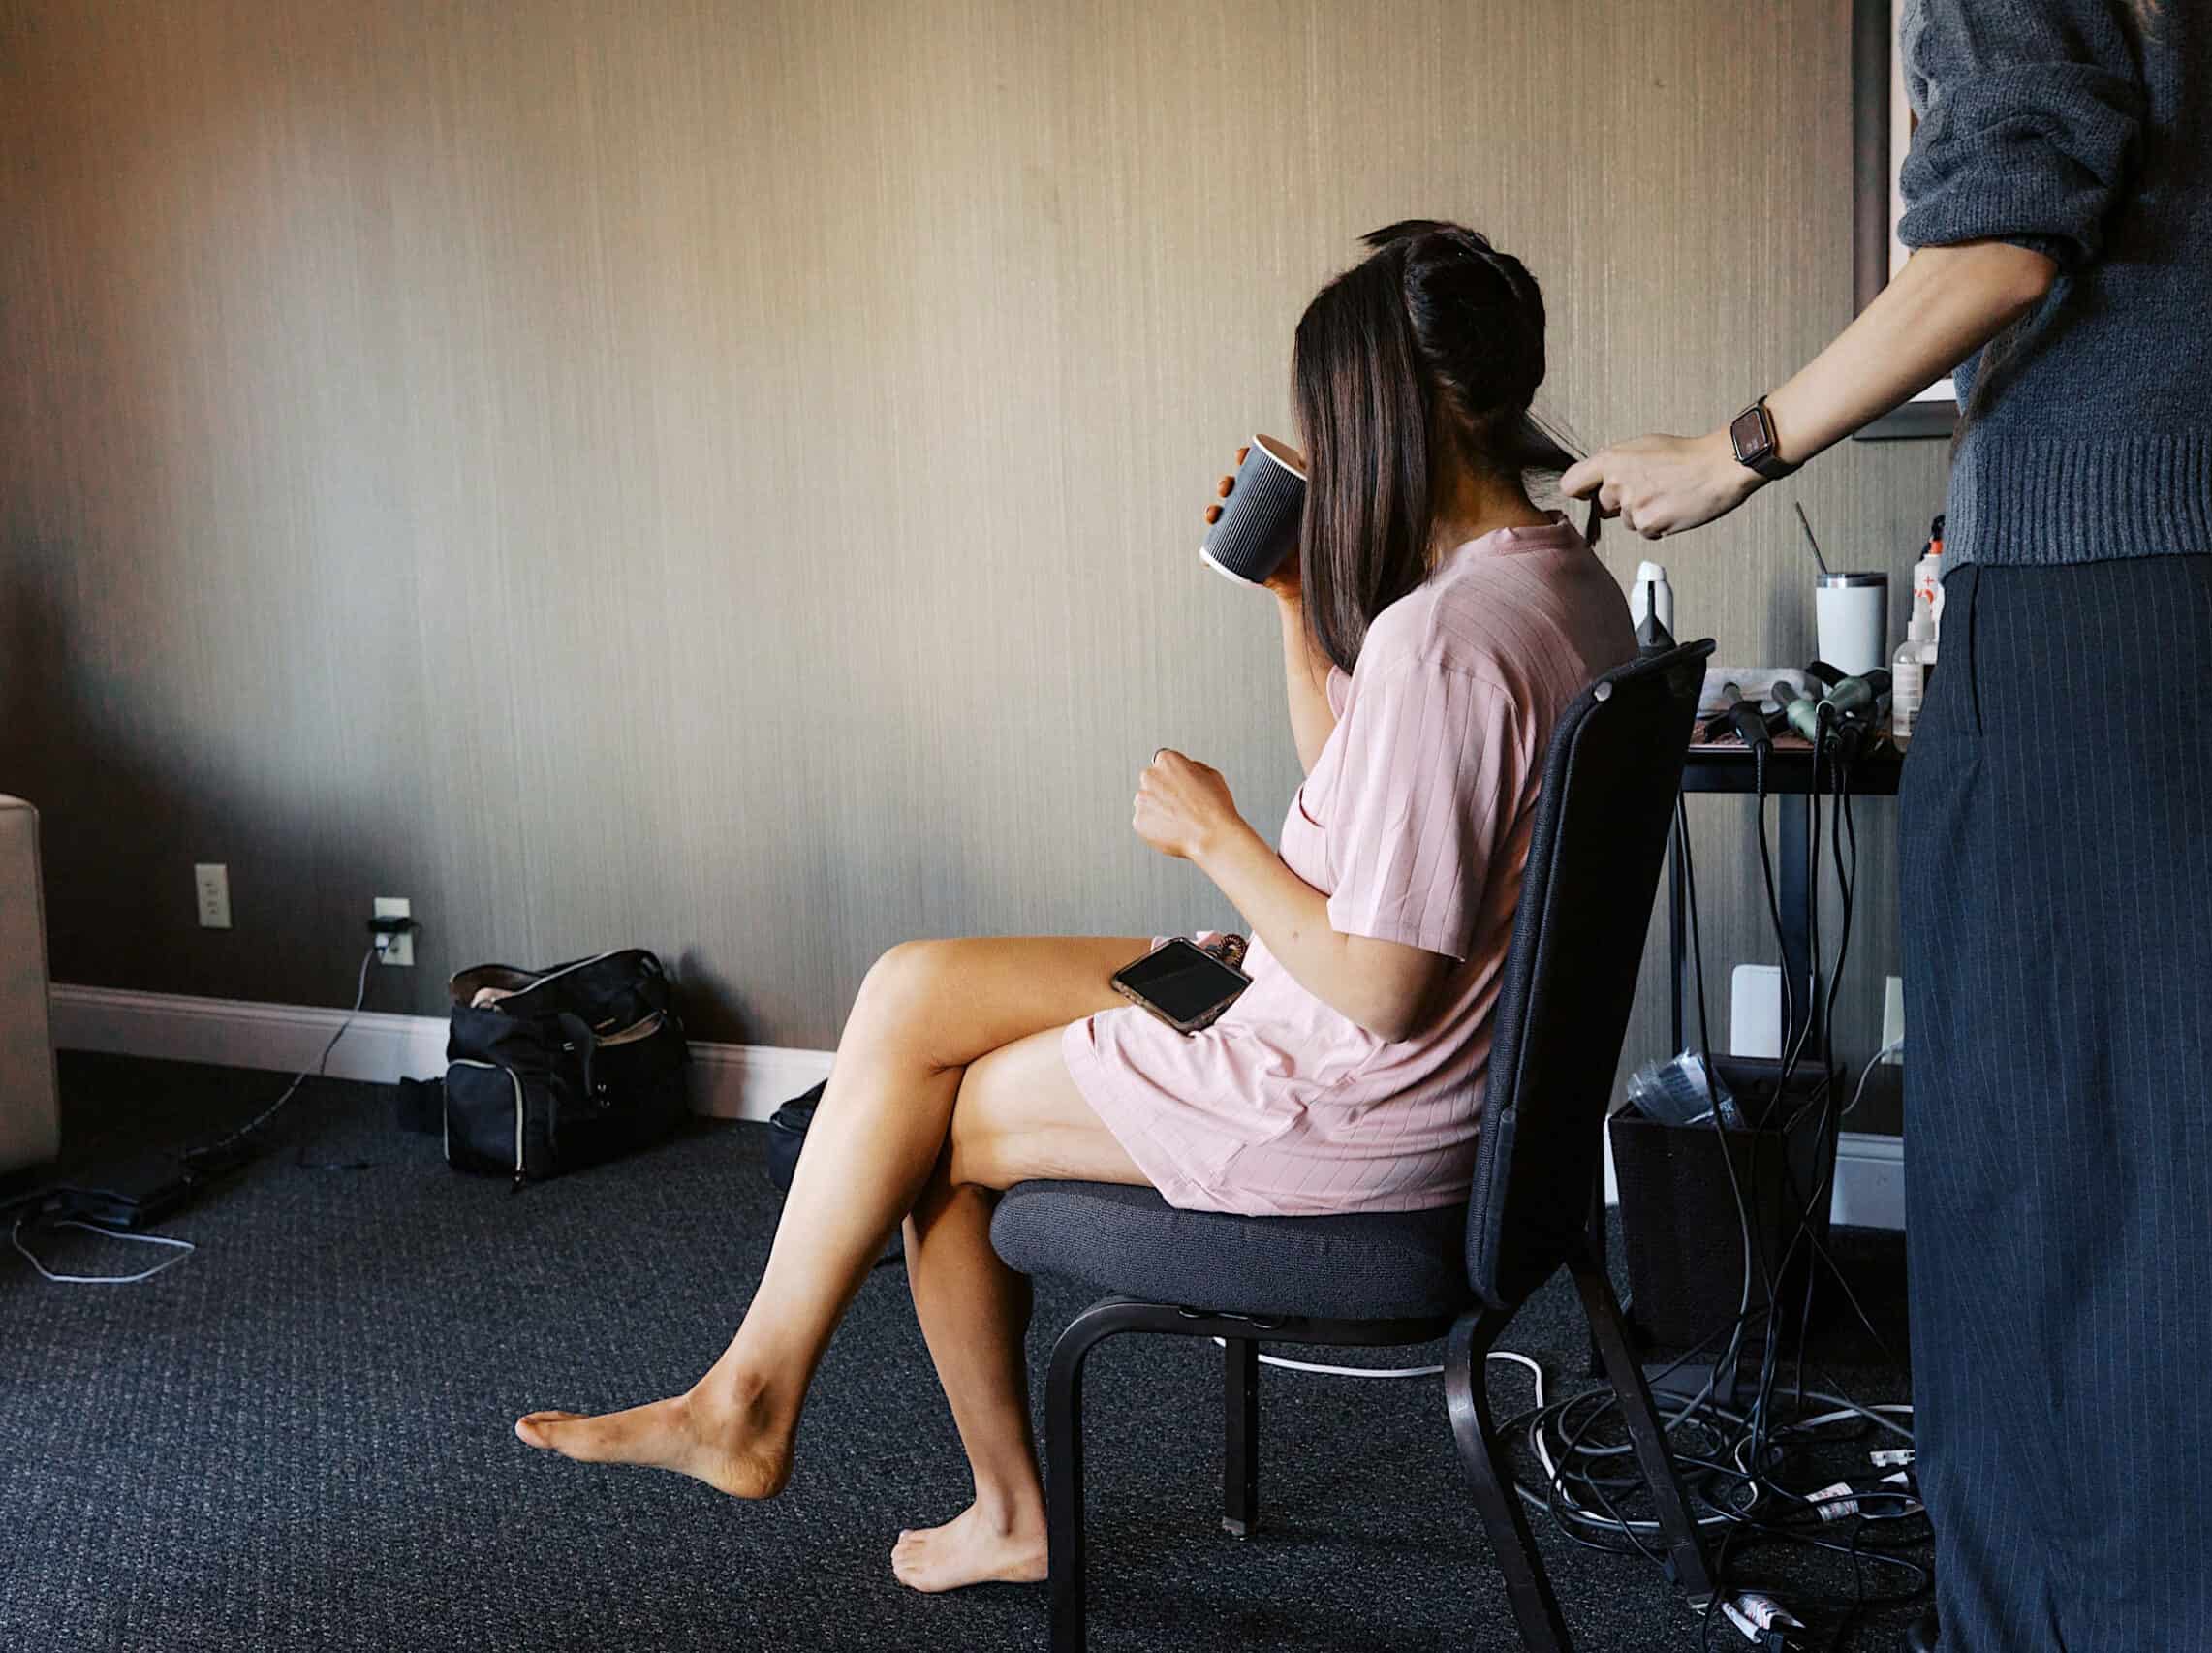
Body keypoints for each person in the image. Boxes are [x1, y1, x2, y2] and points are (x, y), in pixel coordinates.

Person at [514, 221, 1635, 1596]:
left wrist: (1214, 837)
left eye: (1324, 424)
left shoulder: (1442, 642)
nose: (1321, 456)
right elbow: (1368, 802)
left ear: (1379, 414)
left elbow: (1384, 982)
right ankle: (747, 1386)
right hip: (1384, 1046)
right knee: (912, 989)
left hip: (1353, 1090)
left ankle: (966, 1492)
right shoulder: (1552, 587)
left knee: (944, 1124)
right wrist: (1293, 602)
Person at [1562, 2, 2212, 1647]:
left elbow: (1999, 247)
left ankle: (2097, 1611)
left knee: (2062, 1162)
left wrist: (1734, 450)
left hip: (2089, 604)